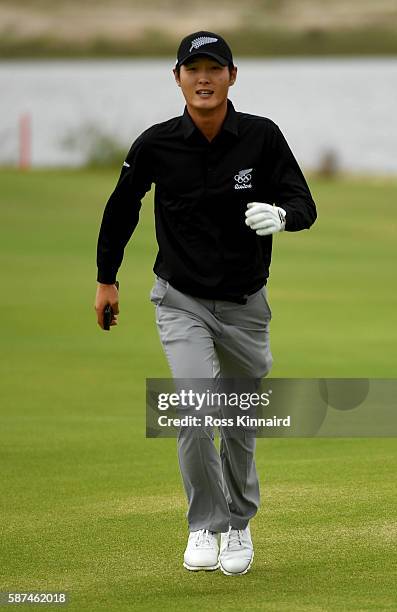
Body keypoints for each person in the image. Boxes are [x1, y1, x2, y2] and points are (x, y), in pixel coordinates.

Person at [94, 31, 317, 576]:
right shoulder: (156, 143)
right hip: (180, 299)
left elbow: (303, 202)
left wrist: (283, 217)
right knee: (195, 409)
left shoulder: (262, 137)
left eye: (213, 68)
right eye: (192, 69)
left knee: (239, 422)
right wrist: (107, 280)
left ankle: (239, 523)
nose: (203, 78)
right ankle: (205, 523)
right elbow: (121, 208)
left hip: (245, 306)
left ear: (232, 76)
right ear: (177, 79)